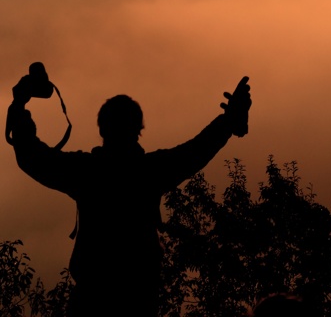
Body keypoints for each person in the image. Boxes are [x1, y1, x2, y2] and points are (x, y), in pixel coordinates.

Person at [7, 72, 251, 317]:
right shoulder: (149, 171)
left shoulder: (87, 173)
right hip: (138, 298)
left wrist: (19, 106)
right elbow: (196, 150)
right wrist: (229, 121)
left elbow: (33, 157)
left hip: (92, 299)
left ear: (102, 130)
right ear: (138, 130)